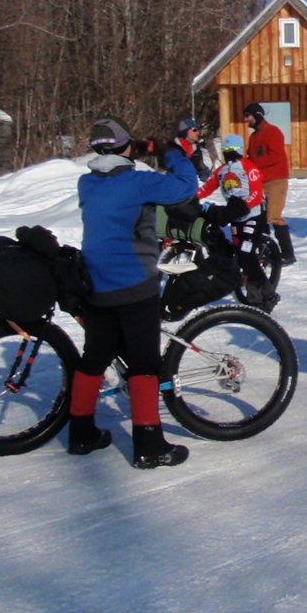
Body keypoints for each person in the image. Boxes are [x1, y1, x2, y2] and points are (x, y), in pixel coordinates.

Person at [71, 117, 199, 468]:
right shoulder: (138, 183)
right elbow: (186, 187)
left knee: (94, 358)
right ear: (127, 148)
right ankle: (149, 445)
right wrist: (171, 152)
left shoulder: (86, 183)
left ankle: (81, 433)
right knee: (144, 363)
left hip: (95, 286)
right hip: (133, 286)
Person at [197, 133, 277, 312]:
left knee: (246, 253)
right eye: (226, 150)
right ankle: (252, 294)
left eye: (232, 150)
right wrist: (191, 198)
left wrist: (243, 206)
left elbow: (256, 193)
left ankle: (269, 292)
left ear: (240, 150)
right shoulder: (222, 171)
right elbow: (207, 187)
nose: (229, 153)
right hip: (234, 217)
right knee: (239, 256)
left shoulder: (249, 167)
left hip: (253, 216)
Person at [243, 101, 295, 265]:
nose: (245, 120)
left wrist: (254, 165)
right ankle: (265, 250)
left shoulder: (273, 132)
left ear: (257, 115)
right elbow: (251, 158)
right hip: (259, 182)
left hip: (275, 181)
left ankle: (287, 254)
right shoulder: (253, 137)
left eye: (247, 116)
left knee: (274, 217)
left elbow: (276, 155)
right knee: (260, 216)